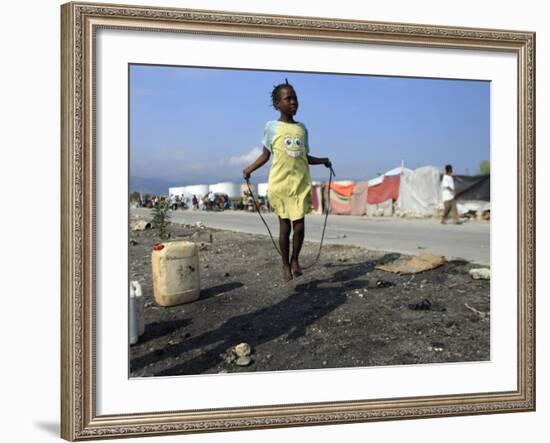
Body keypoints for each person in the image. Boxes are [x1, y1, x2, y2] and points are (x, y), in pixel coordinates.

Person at [243, 79, 332, 282]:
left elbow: (304, 157)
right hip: (280, 184)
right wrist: (249, 169)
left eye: (295, 98)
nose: (293, 102)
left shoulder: (302, 129)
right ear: (277, 104)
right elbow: (265, 155)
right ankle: (284, 264)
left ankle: (295, 260)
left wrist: (323, 161)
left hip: (300, 184)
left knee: (299, 226)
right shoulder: (271, 127)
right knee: (285, 228)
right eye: (288, 98)